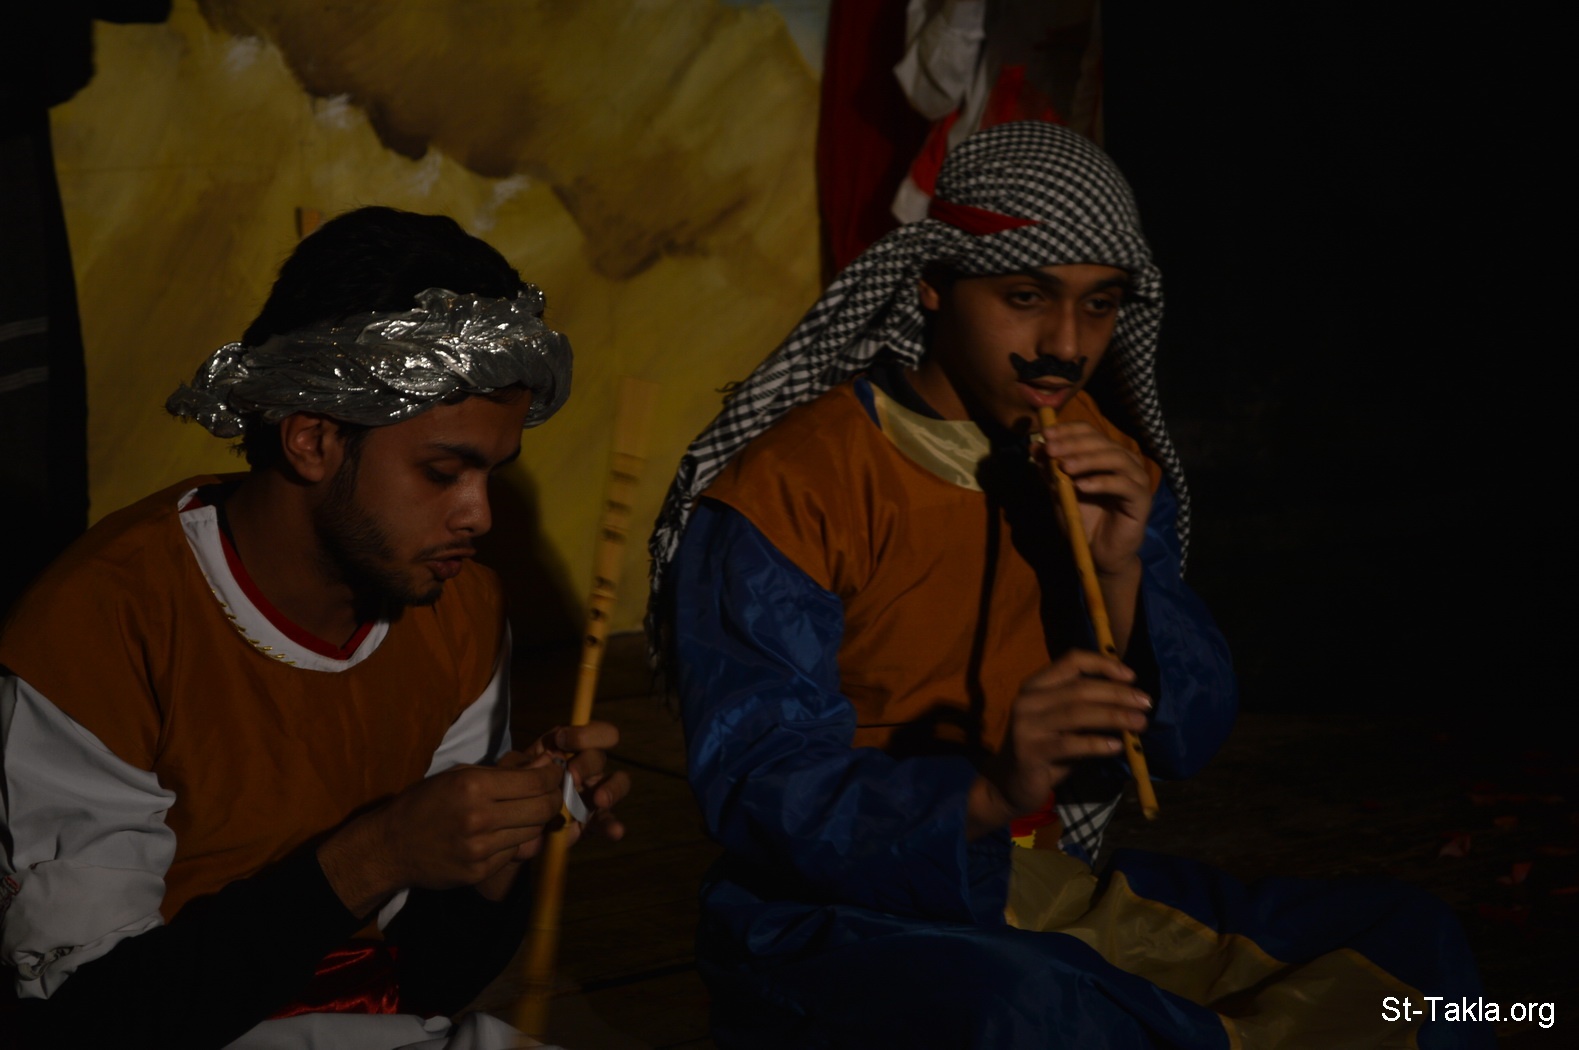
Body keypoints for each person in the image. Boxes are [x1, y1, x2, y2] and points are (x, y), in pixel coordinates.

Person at [649, 123, 1489, 1047]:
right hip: (831, 919)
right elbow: (763, 789)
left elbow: (1186, 741)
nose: (1064, 344)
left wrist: (1120, 567)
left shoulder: (1096, 456)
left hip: (1037, 884)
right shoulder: (792, 489)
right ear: (931, 283)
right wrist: (987, 790)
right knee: (1035, 1012)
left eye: (1099, 306)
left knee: (1407, 953)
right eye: (1025, 297)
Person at [0, 207, 628, 1049]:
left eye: (491, 474)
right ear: (312, 439)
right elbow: (86, 1024)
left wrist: (504, 844)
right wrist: (380, 853)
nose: (478, 515)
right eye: (443, 471)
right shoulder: (106, 621)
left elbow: (427, 981)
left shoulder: (458, 606)